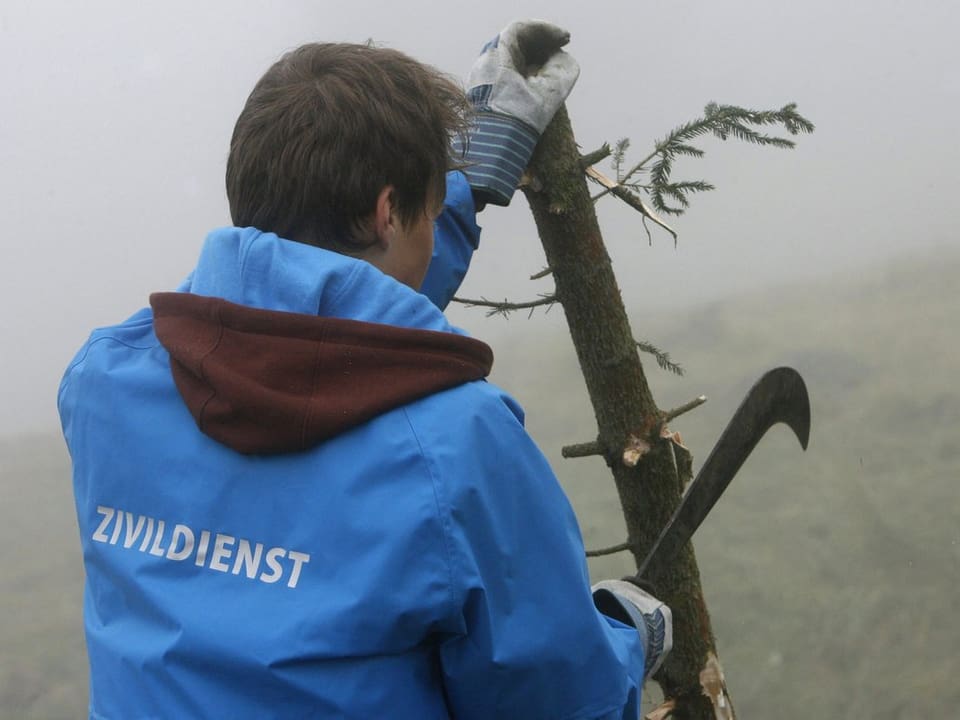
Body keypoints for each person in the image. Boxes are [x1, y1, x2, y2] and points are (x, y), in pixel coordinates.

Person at [58, 20, 671, 719]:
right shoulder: (454, 446)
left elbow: (311, 317)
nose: (432, 226)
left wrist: (471, 181)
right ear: (387, 212)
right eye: (430, 213)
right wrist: (626, 637)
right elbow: (558, 701)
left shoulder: (105, 381)